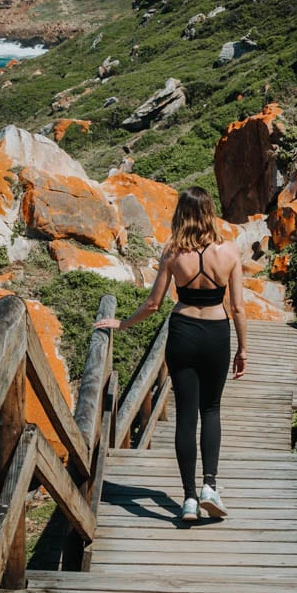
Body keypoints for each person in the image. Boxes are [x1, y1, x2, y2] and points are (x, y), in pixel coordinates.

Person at [95, 186, 247, 523]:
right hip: (217, 335)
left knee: (186, 416)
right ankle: (210, 486)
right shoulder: (229, 251)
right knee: (211, 410)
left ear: (182, 214)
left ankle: (189, 499)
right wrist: (243, 349)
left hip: (183, 334)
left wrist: (122, 324)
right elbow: (237, 307)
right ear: (210, 212)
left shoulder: (173, 253)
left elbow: (153, 304)